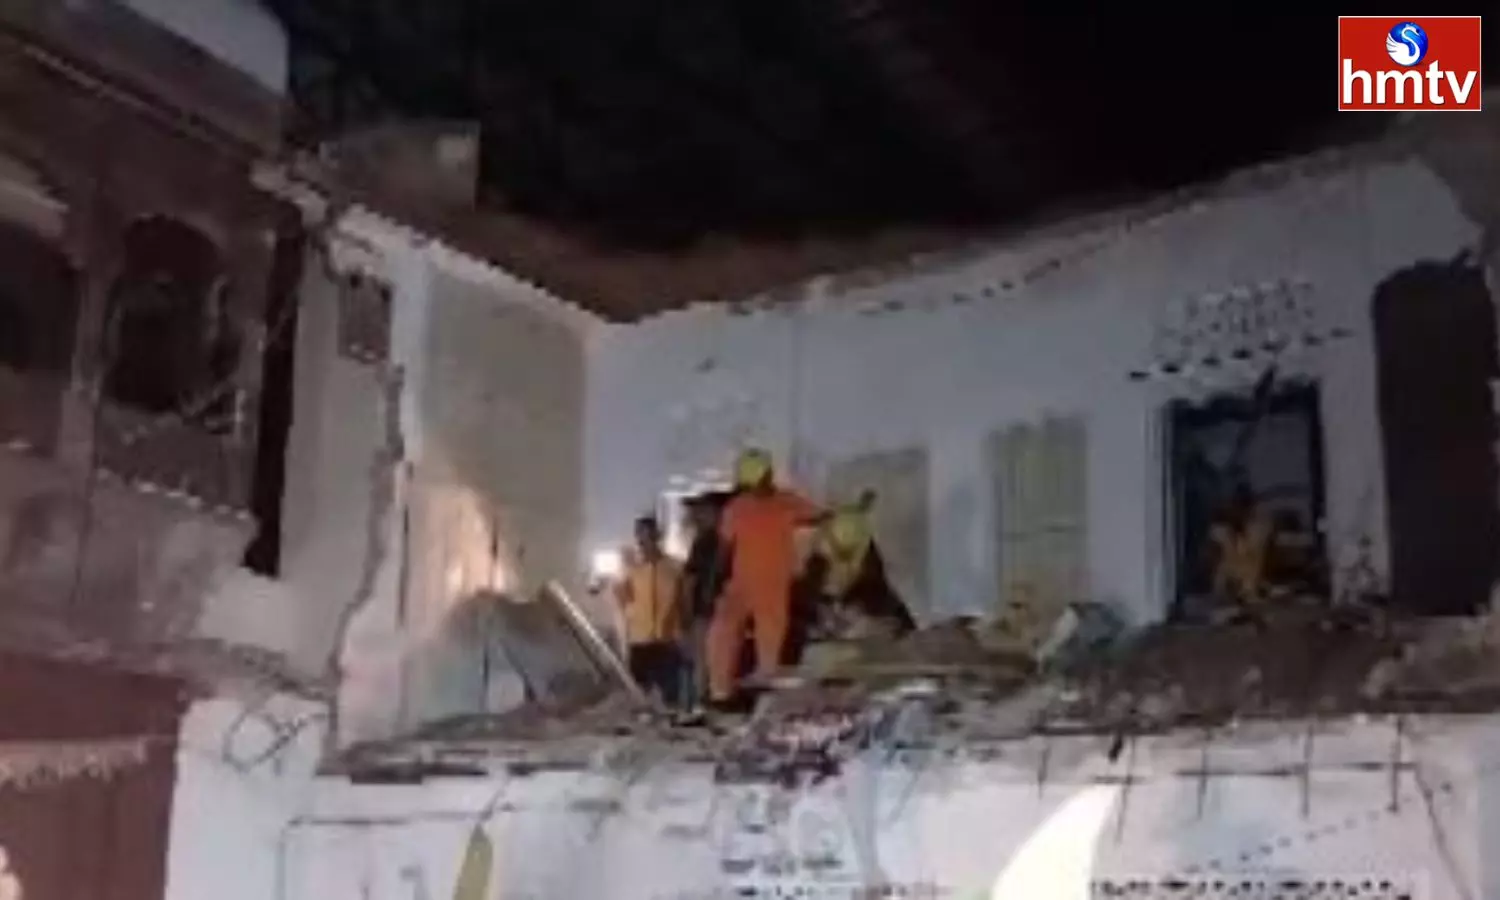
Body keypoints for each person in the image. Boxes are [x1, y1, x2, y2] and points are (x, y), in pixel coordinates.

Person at [706, 448, 828, 710]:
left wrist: (843, 515)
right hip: (742, 582)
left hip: (771, 584)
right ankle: (719, 692)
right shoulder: (738, 508)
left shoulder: (787, 502)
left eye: (758, 483)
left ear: (768, 476)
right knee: (722, 631)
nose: (755, 489)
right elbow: (725, 549)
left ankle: (765, 687)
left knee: (768, 639)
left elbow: (818, 516)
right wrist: (714, 582)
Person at [615, 516, 685, 704]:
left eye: (647, 535)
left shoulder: (675, 568)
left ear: (657, 536)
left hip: (667, 640)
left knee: (671, 693)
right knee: (640, 693)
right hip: (640, 640)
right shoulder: (632, 570)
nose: (643, 541)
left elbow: (684, 601)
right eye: (640, 535)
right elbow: (621, 598)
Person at [679, 492, 730, 710]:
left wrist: (686, 614)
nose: (695, 516)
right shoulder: (723, 540)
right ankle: (710, 699)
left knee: (702, 660)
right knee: (709, 659)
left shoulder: (706, 542)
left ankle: (702, 703)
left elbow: (690, 581)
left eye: (701, 511)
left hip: (707, 612)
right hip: (718, 610)